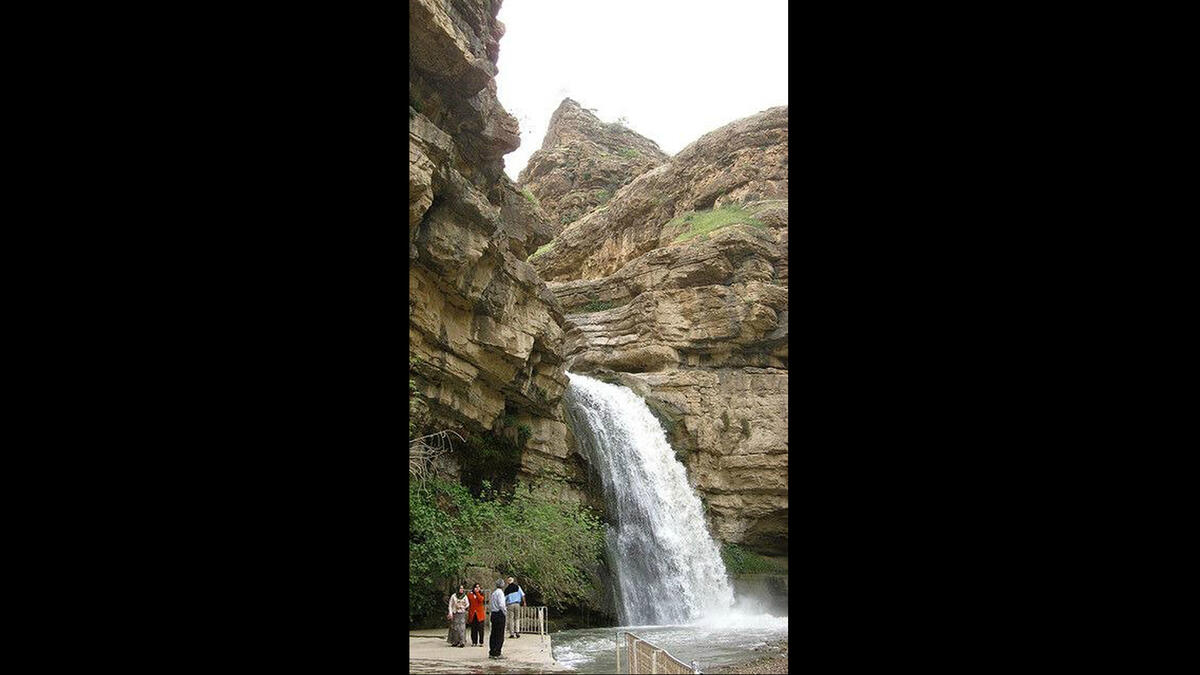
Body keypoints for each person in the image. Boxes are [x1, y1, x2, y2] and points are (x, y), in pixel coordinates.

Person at [488, 578, 508, 658]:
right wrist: (505, 612)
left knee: (493, 633)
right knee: (500, 634)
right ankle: (497, 652)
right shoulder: (500, 593)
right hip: (499, 613)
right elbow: (501, 604)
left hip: (493, 613)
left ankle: (492, 651)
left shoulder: (493, 593)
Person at [467, 583, 487, 647]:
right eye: (476, 587)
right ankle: (474, 641)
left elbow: (481, 600)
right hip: (473, 613)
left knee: (481, 629)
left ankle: (481, 642)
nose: (477, 588)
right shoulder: (470, 594)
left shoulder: (481, 594)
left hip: (480, 614)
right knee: (473, 629)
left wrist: (477, 593)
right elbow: (469, 600)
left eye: (478, 587)